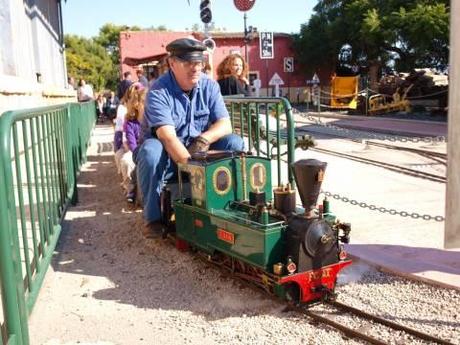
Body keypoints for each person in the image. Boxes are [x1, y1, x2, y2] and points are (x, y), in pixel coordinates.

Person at [136, 38, 244, 238]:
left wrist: (203, 140)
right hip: (166, 154)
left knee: (234, 142)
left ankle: (231, 204)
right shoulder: (158, 91)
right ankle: (153, 219)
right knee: (150, 152)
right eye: (188, 63)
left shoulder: (210, 86)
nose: (195, 68)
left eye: (199, 63)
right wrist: (193, 172)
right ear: (172, 63)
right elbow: (167, 138)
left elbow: (225, 124)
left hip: (197, 150)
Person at [120, 82, 145, 202]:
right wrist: (138, 154)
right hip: (136, 150)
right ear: (137, 105)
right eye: (144, 103)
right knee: (127, 160)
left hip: (149, 148)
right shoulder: (130, 122)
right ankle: (131, 188)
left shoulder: (152, 119)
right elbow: (132, 142)